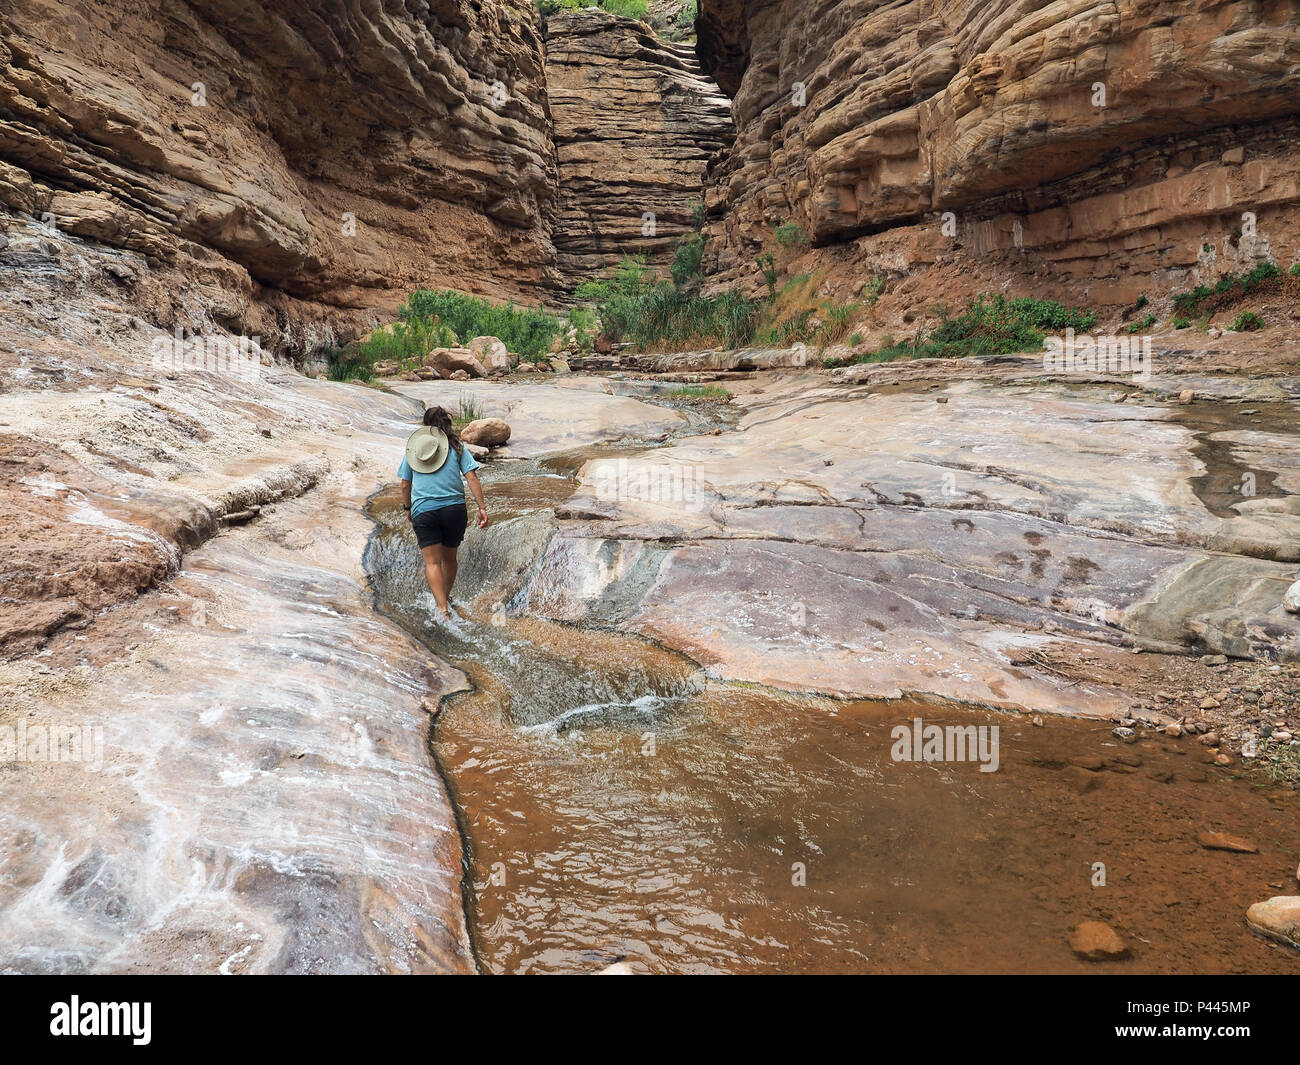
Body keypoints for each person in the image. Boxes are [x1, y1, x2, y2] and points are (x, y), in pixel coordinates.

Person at [397, 406, 488, 619]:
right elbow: (472, 477)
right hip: (454, 510)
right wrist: (482, 507)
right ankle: (445, 597)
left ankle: (442, 609)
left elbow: (404, 484)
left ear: (426, 427)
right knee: (449, 559)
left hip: (424, 510)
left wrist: (408, 507)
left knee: (432, 562)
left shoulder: (415, 450)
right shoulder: (456, 446)